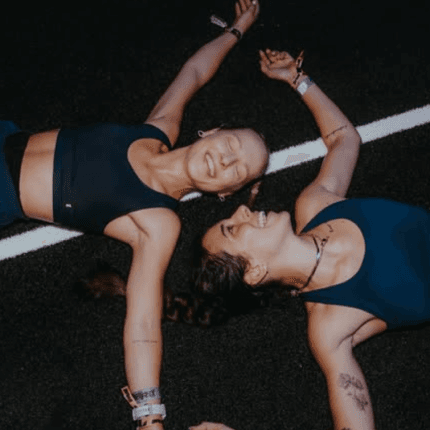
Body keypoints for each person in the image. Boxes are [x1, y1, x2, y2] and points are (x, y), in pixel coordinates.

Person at [0, 1, 268, 429]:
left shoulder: (159, 222)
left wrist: (150, 416)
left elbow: (143, 323)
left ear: (226, 193)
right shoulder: (158, 129)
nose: (226, 160)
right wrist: (237, 29)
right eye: (232, 145)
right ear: (214, 132)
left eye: (238, 171)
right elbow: (194, 73)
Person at [194, 47, 430, 430]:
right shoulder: (329, 328)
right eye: (233, 229)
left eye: (230, 217)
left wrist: (297, 79)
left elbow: (344, 140)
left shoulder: (315, 205)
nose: (241, 211)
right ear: (254, 271)